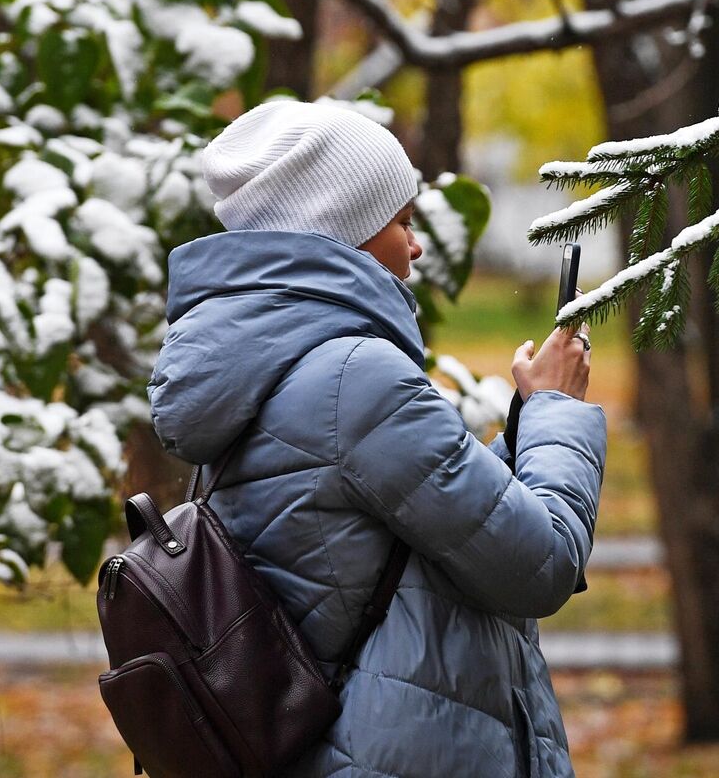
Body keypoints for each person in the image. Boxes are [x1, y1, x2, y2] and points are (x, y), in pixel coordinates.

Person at [147, 99, 606, 778]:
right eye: (402, 220)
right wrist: (560, 412)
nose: (416, 245)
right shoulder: (356, 378)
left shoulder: (271, 363)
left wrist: (526, 424)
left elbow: (419, 534)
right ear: (341, 232)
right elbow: (537, 565)